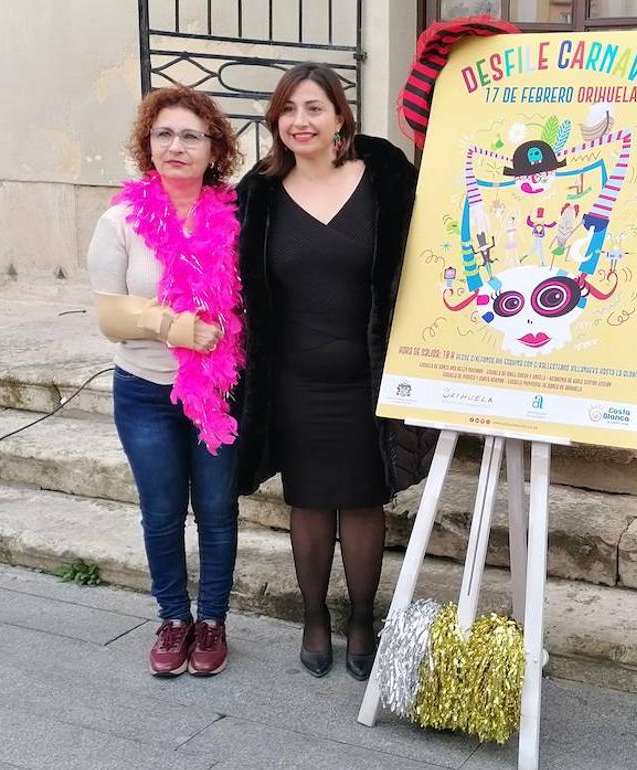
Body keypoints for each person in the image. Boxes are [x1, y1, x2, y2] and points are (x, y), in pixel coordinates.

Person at [233, 63, 435, 681]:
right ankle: (316, 617)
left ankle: (361, 619)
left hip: (368, 375)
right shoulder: (258, 193)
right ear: (276, 119)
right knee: (310, 502)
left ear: (340, 116)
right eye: (289, 109)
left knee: (364, 500)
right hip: (293, 380)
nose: (301, 121)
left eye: (314, 108)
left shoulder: (384, 179)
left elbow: (430, 256)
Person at [87, 85, 244, 677]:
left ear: (214, 149)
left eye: (191, 136)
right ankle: (174, 618)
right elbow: (110, 317)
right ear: (148, 145)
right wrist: (173, 325)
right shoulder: (121, 220)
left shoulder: (235, 217)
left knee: (216, 511)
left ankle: (212, 621)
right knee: (160, 511)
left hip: (219, 394)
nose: (176, 146)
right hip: (145, 393)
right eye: (164, 134)